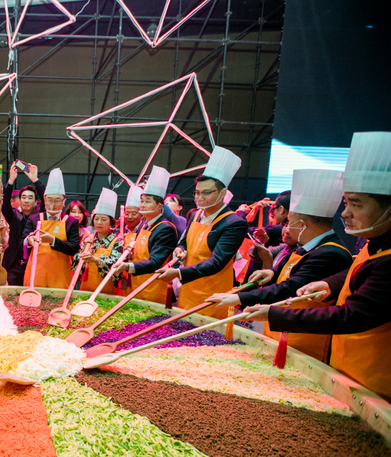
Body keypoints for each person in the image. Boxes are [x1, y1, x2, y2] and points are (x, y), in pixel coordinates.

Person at [242, 132, 391, 399]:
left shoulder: (349, 254)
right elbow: (355, 269)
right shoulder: (372, 243)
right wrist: (330, 283)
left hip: (377, 378)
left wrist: (272, 313)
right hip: (346, 364)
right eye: (345, 203)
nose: (345, 214)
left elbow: (352, 315)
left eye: (355, 204)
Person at [208, 169, 353, 361]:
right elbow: (289, 276)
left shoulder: (330, 253)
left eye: (289, 222)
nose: (285, 227)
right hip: (283, 332)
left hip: (304, 342)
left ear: (302, 225)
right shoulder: (305, 246)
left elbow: (291, 287)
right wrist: (272, 272)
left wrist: (240, 297)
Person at [158, 146, 248, 319]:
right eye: (197, 192)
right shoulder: (197, 215)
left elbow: (217, 262)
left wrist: (178, 273)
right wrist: (180, 249)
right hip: (188, 290)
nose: (199, 197)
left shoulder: (234, 223)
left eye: (206, 192)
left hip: (212, 294)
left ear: (222, 193)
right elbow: (184, 241)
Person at [114, 167, 178, 303]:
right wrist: (130, 254)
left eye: (147, 201)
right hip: (136, 285)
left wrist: (128, 266)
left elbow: (156, 262)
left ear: (160, 206)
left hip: (153, 288)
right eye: (142, 201)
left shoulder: (165, 228)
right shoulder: (144, 225)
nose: (142, 205)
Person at [22, 169, 81, 289]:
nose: (52, 205)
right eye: (49, 200)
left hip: (60, 276)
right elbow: (21, 241)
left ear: (64, 201)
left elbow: (74, 248)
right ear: (44, 200)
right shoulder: (34, 219)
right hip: (36, 274)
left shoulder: (71, 222)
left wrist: (53, 241)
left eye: (57, 200)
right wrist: (28, 240)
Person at [1, 162, 45, 285]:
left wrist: (35, 180)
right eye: (24, 197)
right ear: (19, 201)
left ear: (36, 202)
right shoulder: (14, 215)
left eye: (30, 198)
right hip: (13, 265)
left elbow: (46, 200)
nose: (26, 200)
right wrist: (10, 181)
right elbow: (5, 206)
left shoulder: (40, 216)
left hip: (33, 263)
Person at [73, 188, 123, 294]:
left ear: (111, 222)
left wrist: (95, 260)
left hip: (107, 292)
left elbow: (116, 270)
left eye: (104, 219)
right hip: (85, 290)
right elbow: (75, 266)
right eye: (96, 219)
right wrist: (82, 253)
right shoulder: (88, 239)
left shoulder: (117, 242)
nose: (99, 222)